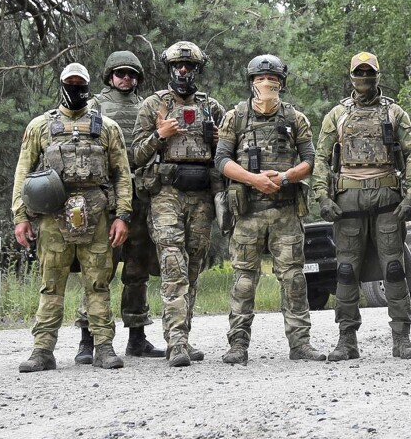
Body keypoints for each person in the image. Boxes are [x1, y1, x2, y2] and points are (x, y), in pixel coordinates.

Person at [12, 63, 132, 372]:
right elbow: (23, 173)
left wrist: (122, 216)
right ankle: (42, 350)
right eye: (71, 83)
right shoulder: (40, 125)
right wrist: (20, 217)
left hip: (96, 214)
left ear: (88, 86)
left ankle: (104, 347)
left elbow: (122, 175)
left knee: (98, 283)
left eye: (81, 84)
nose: (75, 88)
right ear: (62, 84)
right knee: (51, 284)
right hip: (53, 214)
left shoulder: (107, 127)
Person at [214, 54, 325, 365]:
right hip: (248, 211)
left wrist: (286, 176)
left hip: (286, 211)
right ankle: (238, 345)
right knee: (244, 279)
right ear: (251, 83)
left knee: (293, 279)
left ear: (282, 83)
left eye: (272, 80)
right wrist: (253, 179)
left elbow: (311, 160)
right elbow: (221, 160)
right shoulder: (234, 117)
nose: (266, 85)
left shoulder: (295, 119)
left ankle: (300, 344)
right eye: (260, 80)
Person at [313, 51, 411, 361]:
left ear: (378, 74)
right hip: (348, 200)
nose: (364, 77)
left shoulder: (394, 113)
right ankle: (347, 339)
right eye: (358, 72)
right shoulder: (337, 115)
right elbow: (321, 158)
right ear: (350, 76)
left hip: (388, 198)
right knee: (346, 270)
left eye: (369, 71)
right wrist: (322, 195)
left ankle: (402, 337)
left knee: (394, 268)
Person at [133, 41, 225, 367]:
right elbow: (135, 155)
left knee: (193, 268)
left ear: (196, 70)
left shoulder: (212, 107)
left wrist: (218, 142)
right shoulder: (153, 105)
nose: (183, 71)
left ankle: (182, 333)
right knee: (173, 265)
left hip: (201, 196)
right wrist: (160, 134)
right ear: (170, 68)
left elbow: (226, 156)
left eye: (188, 67)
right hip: (167, 194)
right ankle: (176, 342)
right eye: (178, 66)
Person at [73, 51, 164, 364]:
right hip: (106, 199)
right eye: (121, 74)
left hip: (140, 196)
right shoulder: (95, 105)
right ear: (109, 75)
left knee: (137, 270)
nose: (126, 79)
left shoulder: (146, 107)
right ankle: (88, 339)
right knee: (99, 270)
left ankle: (137, 337)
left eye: (132, 74)